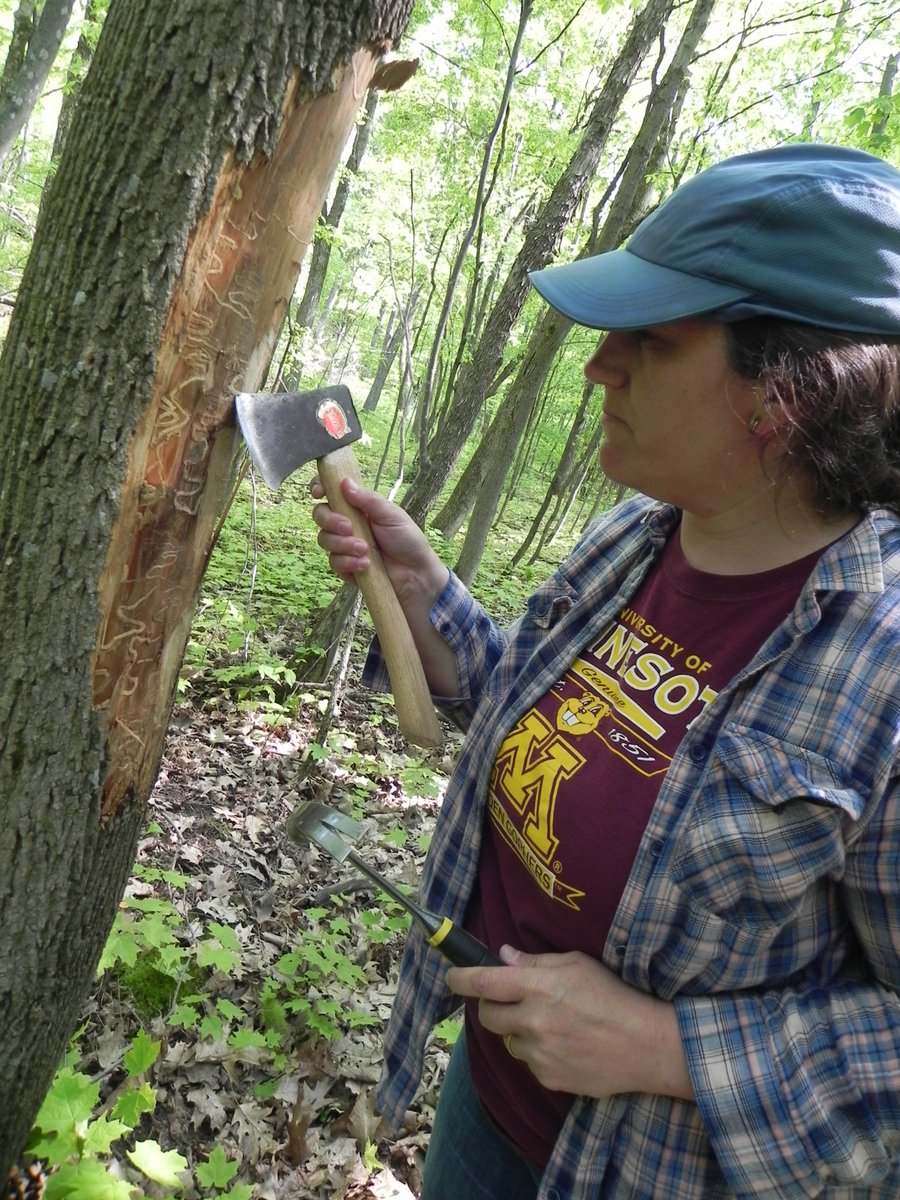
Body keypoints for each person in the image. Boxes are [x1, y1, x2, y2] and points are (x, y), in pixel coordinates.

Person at [311, 144, 900, 1199]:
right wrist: (423, 593)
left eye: (652, 342)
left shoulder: (884, 664)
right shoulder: (635, 536)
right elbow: (544, 725)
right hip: (487, 1104)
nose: (597, 367)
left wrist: (667, 1050)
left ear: (790, 393)